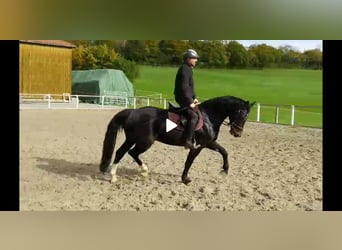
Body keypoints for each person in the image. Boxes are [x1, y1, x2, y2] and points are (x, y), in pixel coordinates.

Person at [173, 49, 200, 150]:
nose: (196, 60)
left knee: (199, 112)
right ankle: (187, 140)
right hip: (182, 97)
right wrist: (189, 102)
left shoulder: (188, 69)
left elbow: (190, 87)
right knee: (193, 116)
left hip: (187, 97)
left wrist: (195, 98)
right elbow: (184, 87)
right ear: (188, 59)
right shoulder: (184, 69)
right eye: (194, 58)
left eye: (196, 59)